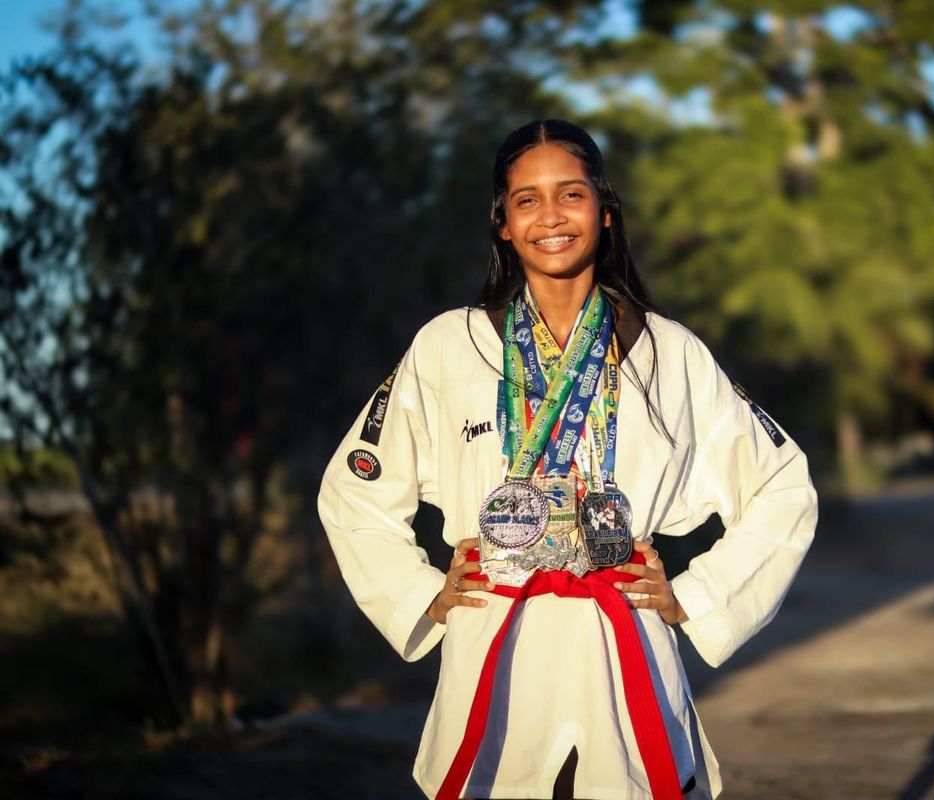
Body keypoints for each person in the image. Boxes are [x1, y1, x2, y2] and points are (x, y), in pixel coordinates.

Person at [317, 119, 819, 800]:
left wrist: (696, 597)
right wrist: (422, 594)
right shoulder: (447, 347)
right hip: (493, 644)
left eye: (570, 195)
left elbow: (784, 485)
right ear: (501, 224)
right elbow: (354, 493)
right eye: (526, 200)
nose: (549, 217)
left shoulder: (670, 353)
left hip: (624, 645)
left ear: (605, 212)